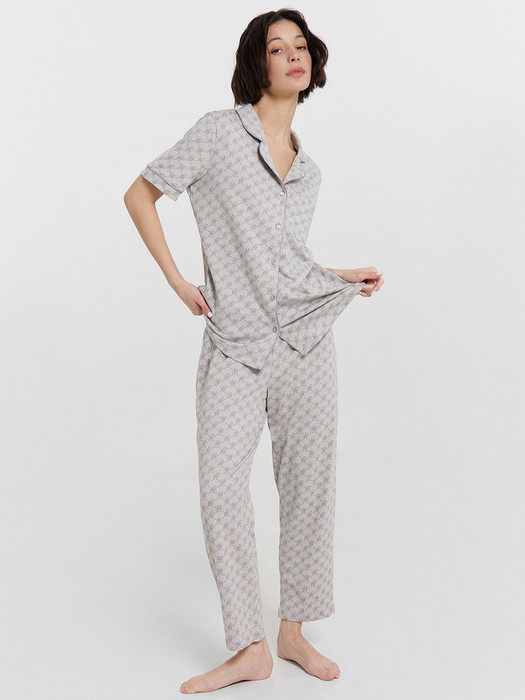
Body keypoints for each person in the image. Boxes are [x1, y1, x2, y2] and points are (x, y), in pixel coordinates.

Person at [124, 8, 383, 695]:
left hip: (305, 344)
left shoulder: (310, 171)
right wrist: (178, 280)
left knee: (308, 486)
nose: (293, 55)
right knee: (219, 486)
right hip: (234, 344)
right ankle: (248, 646)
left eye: (301, 46)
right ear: (256, 62)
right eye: (277, 47)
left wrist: (340, 276)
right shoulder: (218, 134)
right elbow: (140, 194)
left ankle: (292, 633)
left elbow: (285, 264)